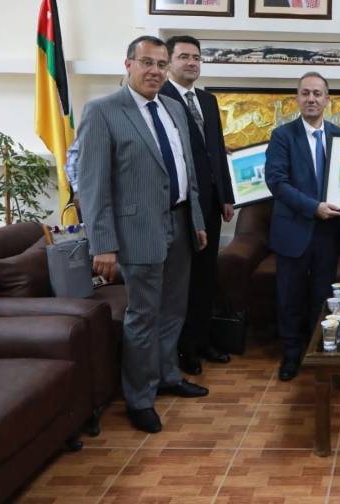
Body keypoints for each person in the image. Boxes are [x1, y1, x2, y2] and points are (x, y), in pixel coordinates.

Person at [76, 35, 209, 434]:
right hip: (137, 231)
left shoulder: (173, 108)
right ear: (128, 64)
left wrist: (197, 220)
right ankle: (139, 398)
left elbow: (186, 171)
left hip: (181, 224)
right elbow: (93, 185)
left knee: (173, 310)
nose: (155, 71)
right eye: (147, 62)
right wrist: (103, 244)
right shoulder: (102, 111)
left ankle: (167, 375)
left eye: (161, 64)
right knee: (143, 316)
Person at [160, 35, 235, 375]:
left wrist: (226, 196)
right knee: (182, 281)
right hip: (179, 206)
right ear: (170, 62)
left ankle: (203, 341)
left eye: (196, 57)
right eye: (184, 57)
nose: (192, 62)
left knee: (206, 277)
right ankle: (184, 349)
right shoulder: (160, 98)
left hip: (210, 204)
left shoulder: (207, 100)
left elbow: (216, 150)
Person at [265, 72, 340, 381]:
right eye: (305, 93)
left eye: (317, 93)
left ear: (327, 99)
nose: (311, 99)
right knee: (290, 298)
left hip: (328, 233)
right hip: (293, 231)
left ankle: (321, 354)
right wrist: (314, 208)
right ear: (297, 98)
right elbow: (277, 182)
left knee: (323, 298)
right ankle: (291, 356)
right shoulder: (282, 136)